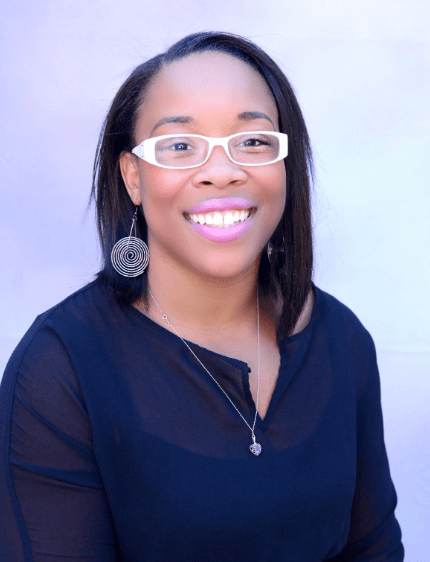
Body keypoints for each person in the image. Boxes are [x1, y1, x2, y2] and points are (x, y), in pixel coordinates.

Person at [0, 31, 404, 561]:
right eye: (180, 146)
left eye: (253, 141)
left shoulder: (341, 339)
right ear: (133, 178)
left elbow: (372, 551)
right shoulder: (59, 370)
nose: (221, 171)